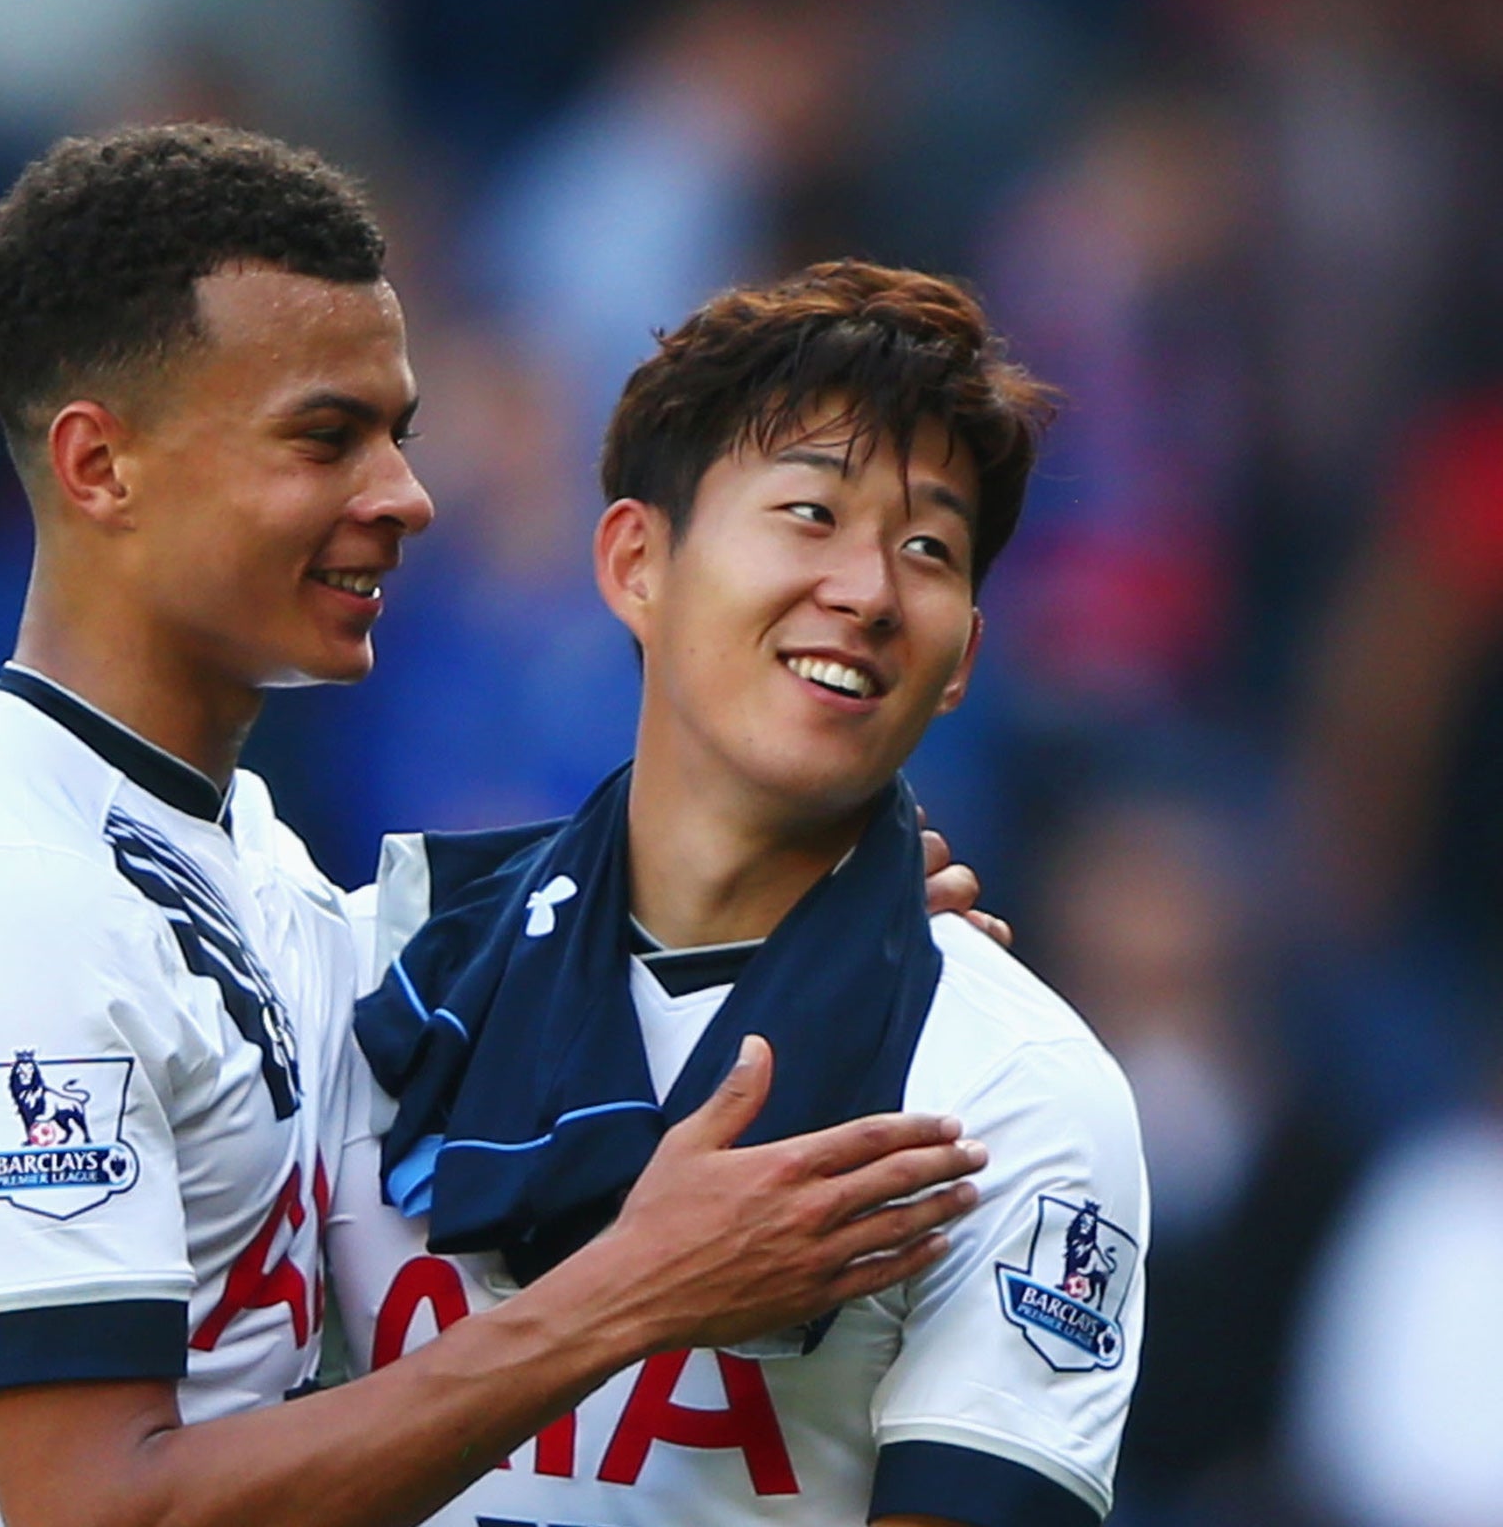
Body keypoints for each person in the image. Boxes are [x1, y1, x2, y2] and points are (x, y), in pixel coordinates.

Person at [0, 124, 990, 1527]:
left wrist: (821, 904)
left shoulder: (252, 861)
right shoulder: (5, 895)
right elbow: (103, 1514)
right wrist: (631, 1294)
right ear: (102, 467)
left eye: (396, 435)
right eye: (324, 437)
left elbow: (540, 941)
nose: (405, 497)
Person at [325, 263, 1148, 1527]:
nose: (868, 592)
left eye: (927, 546)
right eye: (809, 514)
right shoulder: (365, 976)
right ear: (633, 561)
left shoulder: (1008, 1090)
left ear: (961, 661)